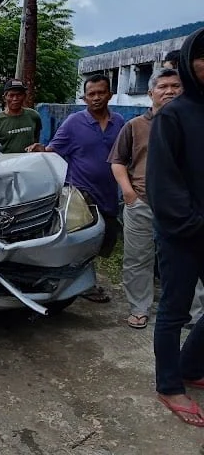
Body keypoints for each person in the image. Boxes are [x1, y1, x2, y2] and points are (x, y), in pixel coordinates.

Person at [146, 28, 204, 427]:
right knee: (173, 311)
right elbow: (163, 183)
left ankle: (189, 364)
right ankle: (169, 385)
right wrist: (192, 224)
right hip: (183, 234)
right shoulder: (174, 114)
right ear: (189, 63)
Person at [26, 74, 125, 303]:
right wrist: (40, 148)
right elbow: (54, 149)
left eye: (101, 93)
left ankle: (82, 279)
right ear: (84, 98)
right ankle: (82, 284)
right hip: (81, 193)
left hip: (109, 193)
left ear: (109, 94)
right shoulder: (73, 122)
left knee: (106, 239)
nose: (97, 98)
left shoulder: (119, 122)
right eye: (91, 94)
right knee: (83, 240)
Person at [108, 68, 182, 329]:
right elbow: (118, 162)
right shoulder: (135, 126)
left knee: (185, 258)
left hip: (183, 208)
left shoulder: (192, 123)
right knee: (138, 258)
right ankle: (139, 308)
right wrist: (129, 194)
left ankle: (193, 312)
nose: (170, 91)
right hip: (142, 203)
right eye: (163, 87)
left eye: (176, 86)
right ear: (151, 93)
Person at [0, 79, 42, 153]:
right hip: (7, 163)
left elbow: (36, 137)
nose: (15, 99)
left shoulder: (34, 116)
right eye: (11, 95)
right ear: (5, 98)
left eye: (19, 95)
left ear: (24, 96)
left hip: (29, 161)